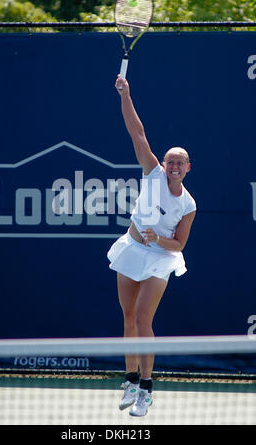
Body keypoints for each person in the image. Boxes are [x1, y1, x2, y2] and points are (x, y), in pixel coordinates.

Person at [107, 76, 196, 417]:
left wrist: (157, 238)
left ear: (188, 169)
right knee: (128, 317)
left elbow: (180, 243)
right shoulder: (152, 171)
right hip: (131, 248)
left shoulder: (188, 205)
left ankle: (146, 388)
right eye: (170, 161)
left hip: (162, 257)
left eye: (180, 162)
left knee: (144, 319)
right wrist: (125, 95)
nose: (173, 166)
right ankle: (130, 379)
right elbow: (137, 131)